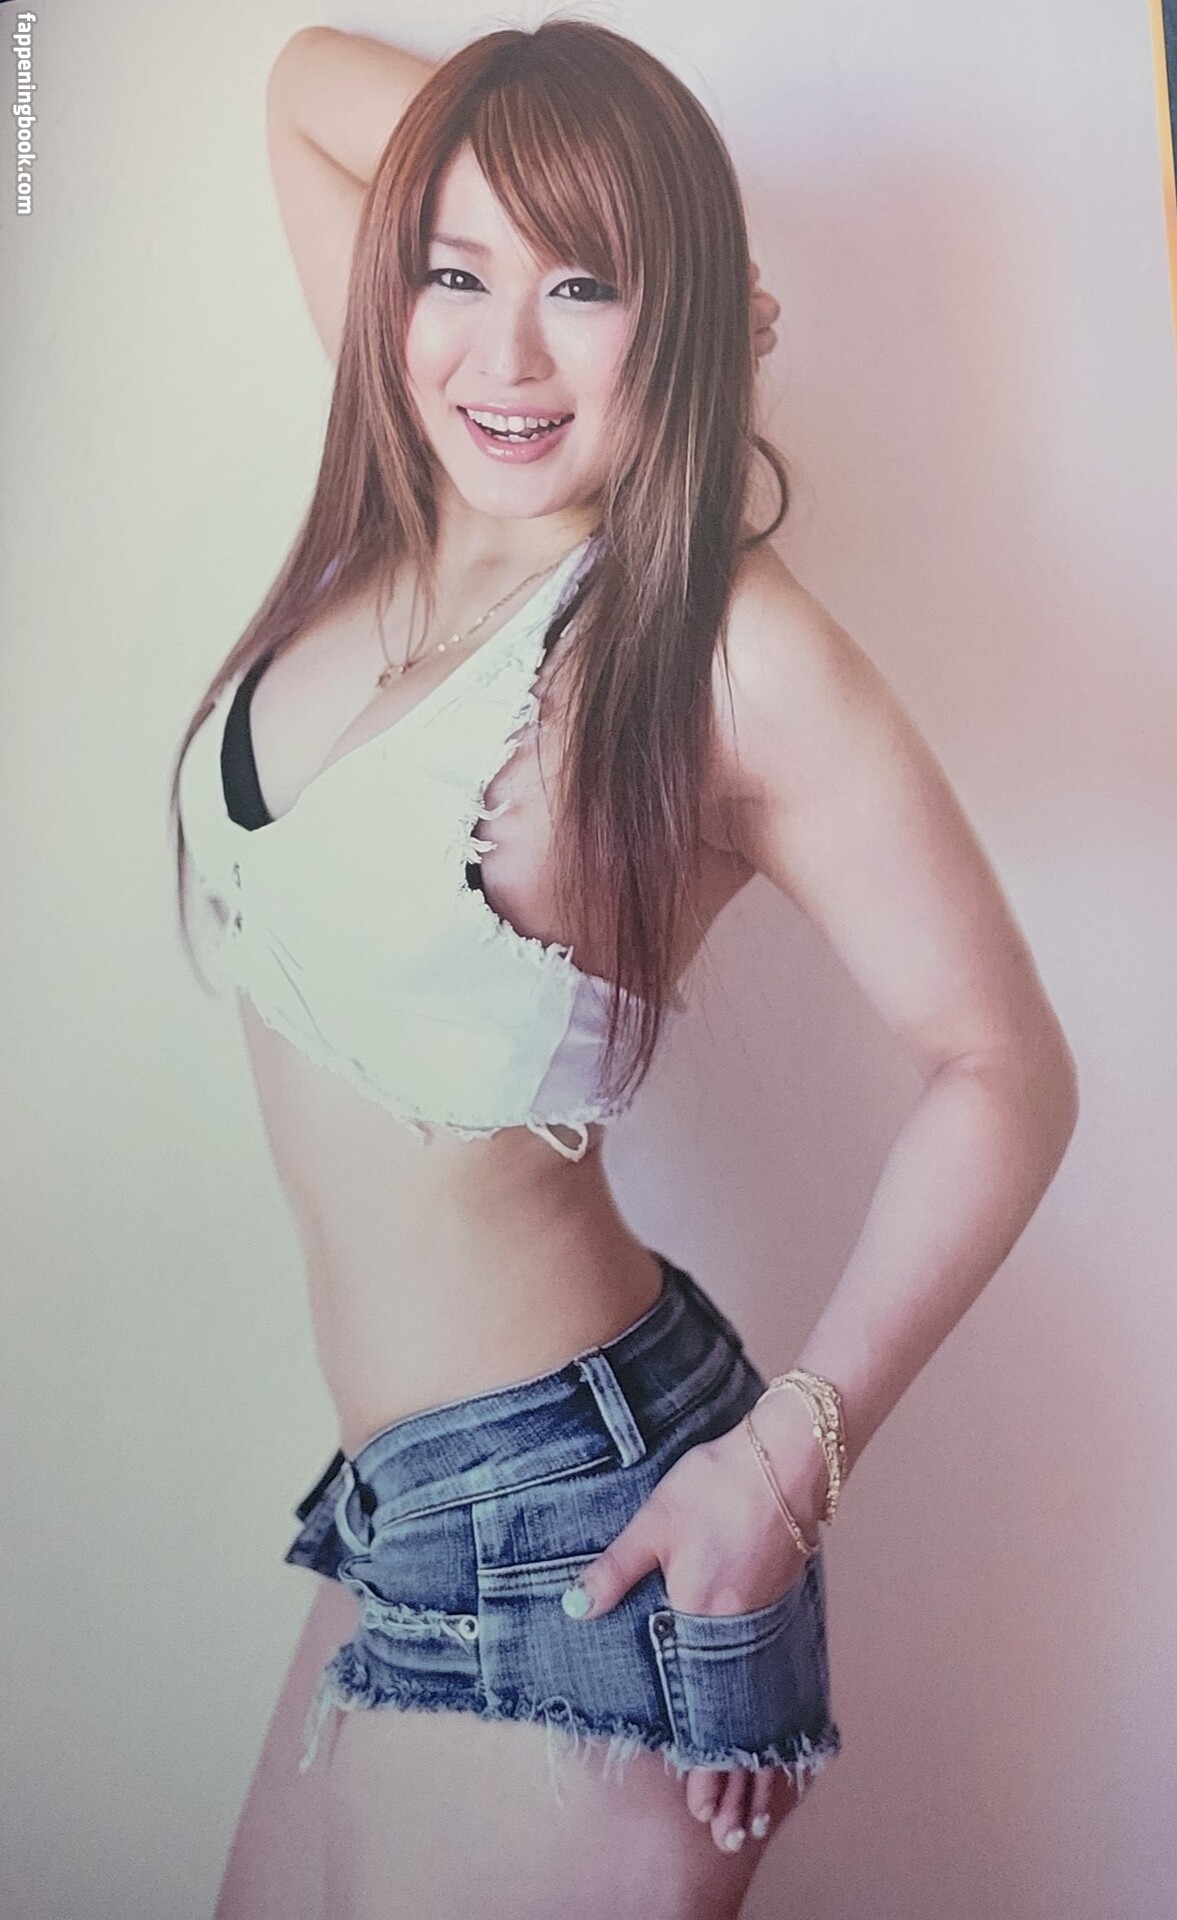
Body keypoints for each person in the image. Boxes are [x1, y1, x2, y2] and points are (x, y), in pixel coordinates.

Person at [169, 20, 1078, 1920]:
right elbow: (303, 82)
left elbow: (1003, 1068)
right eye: (456, 271)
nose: (503, 354)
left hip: (590, 1532)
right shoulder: (425, 489)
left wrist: (787, 1463)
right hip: (390, 1520)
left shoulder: (720, 646)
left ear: (676, 319)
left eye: (581, 288)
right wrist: (603, 226)